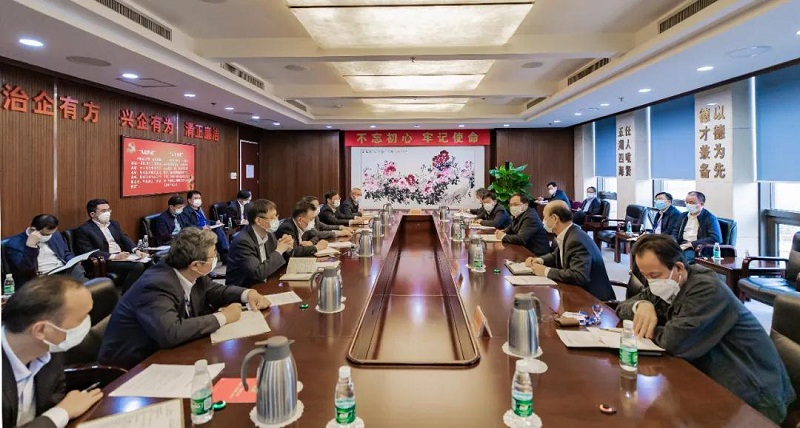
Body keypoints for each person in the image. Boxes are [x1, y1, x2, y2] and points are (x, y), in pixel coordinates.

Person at [616, 234, 795, 423]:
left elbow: (674, 342)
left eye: (654, 276)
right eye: (645, 276)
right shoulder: (671, 283)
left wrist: (651, 327)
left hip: (753, 396)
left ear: (678, 268)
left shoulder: (706, 289)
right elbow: (622, 307)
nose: (651, 283)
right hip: (712, 381)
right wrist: (641, 305)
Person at [98, 228, 271, 369]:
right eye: (213, 256)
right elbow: (171, 332)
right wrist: (224, 317)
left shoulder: (190, 272)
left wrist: (247, 294)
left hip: (168, 352)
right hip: (131, 367)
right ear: (196, 265)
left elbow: (216, 290)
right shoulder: (156, 285)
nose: (216, 258)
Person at [2, 276, 103, 428]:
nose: (86, 324)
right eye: (81, 319)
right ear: (41, 330)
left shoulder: (48, 348)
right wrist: (62, 412)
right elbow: (59, 409)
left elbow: (55, 396)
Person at [525, 200, 615, 301]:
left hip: (594, 300)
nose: (543, 220)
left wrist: (545, 271)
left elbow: (578, 275)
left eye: (544, 216)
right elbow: (557, 255)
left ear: (554, 218)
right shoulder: (570, 232)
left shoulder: (576, 240)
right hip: (578, 292)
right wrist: (540, 260)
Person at [73, 199, 146, 293]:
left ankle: (143, 292)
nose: (107, 213)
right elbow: (88, 251)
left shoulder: (114, 224)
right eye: (103, 211)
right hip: (106, 260)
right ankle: (127, 294)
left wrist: (136, 250)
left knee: (150, 262)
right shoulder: (84, 230)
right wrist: (114, 256)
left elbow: (124, 238)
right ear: (92, 214)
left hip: (123, 255)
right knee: (138, 266)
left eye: (108, 210)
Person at [3, 215, 86, 287]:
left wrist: (73, 261)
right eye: (46, 234)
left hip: (62, 270)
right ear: (33, 230)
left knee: (79, 273)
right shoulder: (14, 244)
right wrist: (31, 247)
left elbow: (65, 253)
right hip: (41, 277)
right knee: (76, 287)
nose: (49, 236)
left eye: (51, 234)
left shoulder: (55, 234)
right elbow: (26, 270)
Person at [226, 199, 294, 288]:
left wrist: (287, 248)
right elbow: (258, 273)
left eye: (276, 216)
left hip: (266, 284)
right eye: (272, 218)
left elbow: (277, 264)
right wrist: (279, 250)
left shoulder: (269, 235)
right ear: (258, 221)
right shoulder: (243, 242)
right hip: (245, 289)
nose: (276, 220)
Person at [180, 190, 230, 265]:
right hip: (196, 233)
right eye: (196, 198)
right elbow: (187, 226)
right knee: (217, 232)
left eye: (199, 198)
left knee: (218, 228)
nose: (198, 200)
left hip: (206, 230)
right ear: (189, 200)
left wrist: (215, 223)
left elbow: (206, 221)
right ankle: (225, 255)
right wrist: (201, 228)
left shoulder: (199, 209)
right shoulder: (185, 212)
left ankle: (226, 254)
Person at [676, 191, 722, 262]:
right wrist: (672, 242)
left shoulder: (709, 218)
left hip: (697, 248)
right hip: (682, 245)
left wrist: (691, 244)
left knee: (678, 259)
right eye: (686, 202)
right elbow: (675, 232)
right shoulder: (683, 216)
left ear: (702, 204)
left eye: (691, 203)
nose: (688, 205)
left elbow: (715, 238)